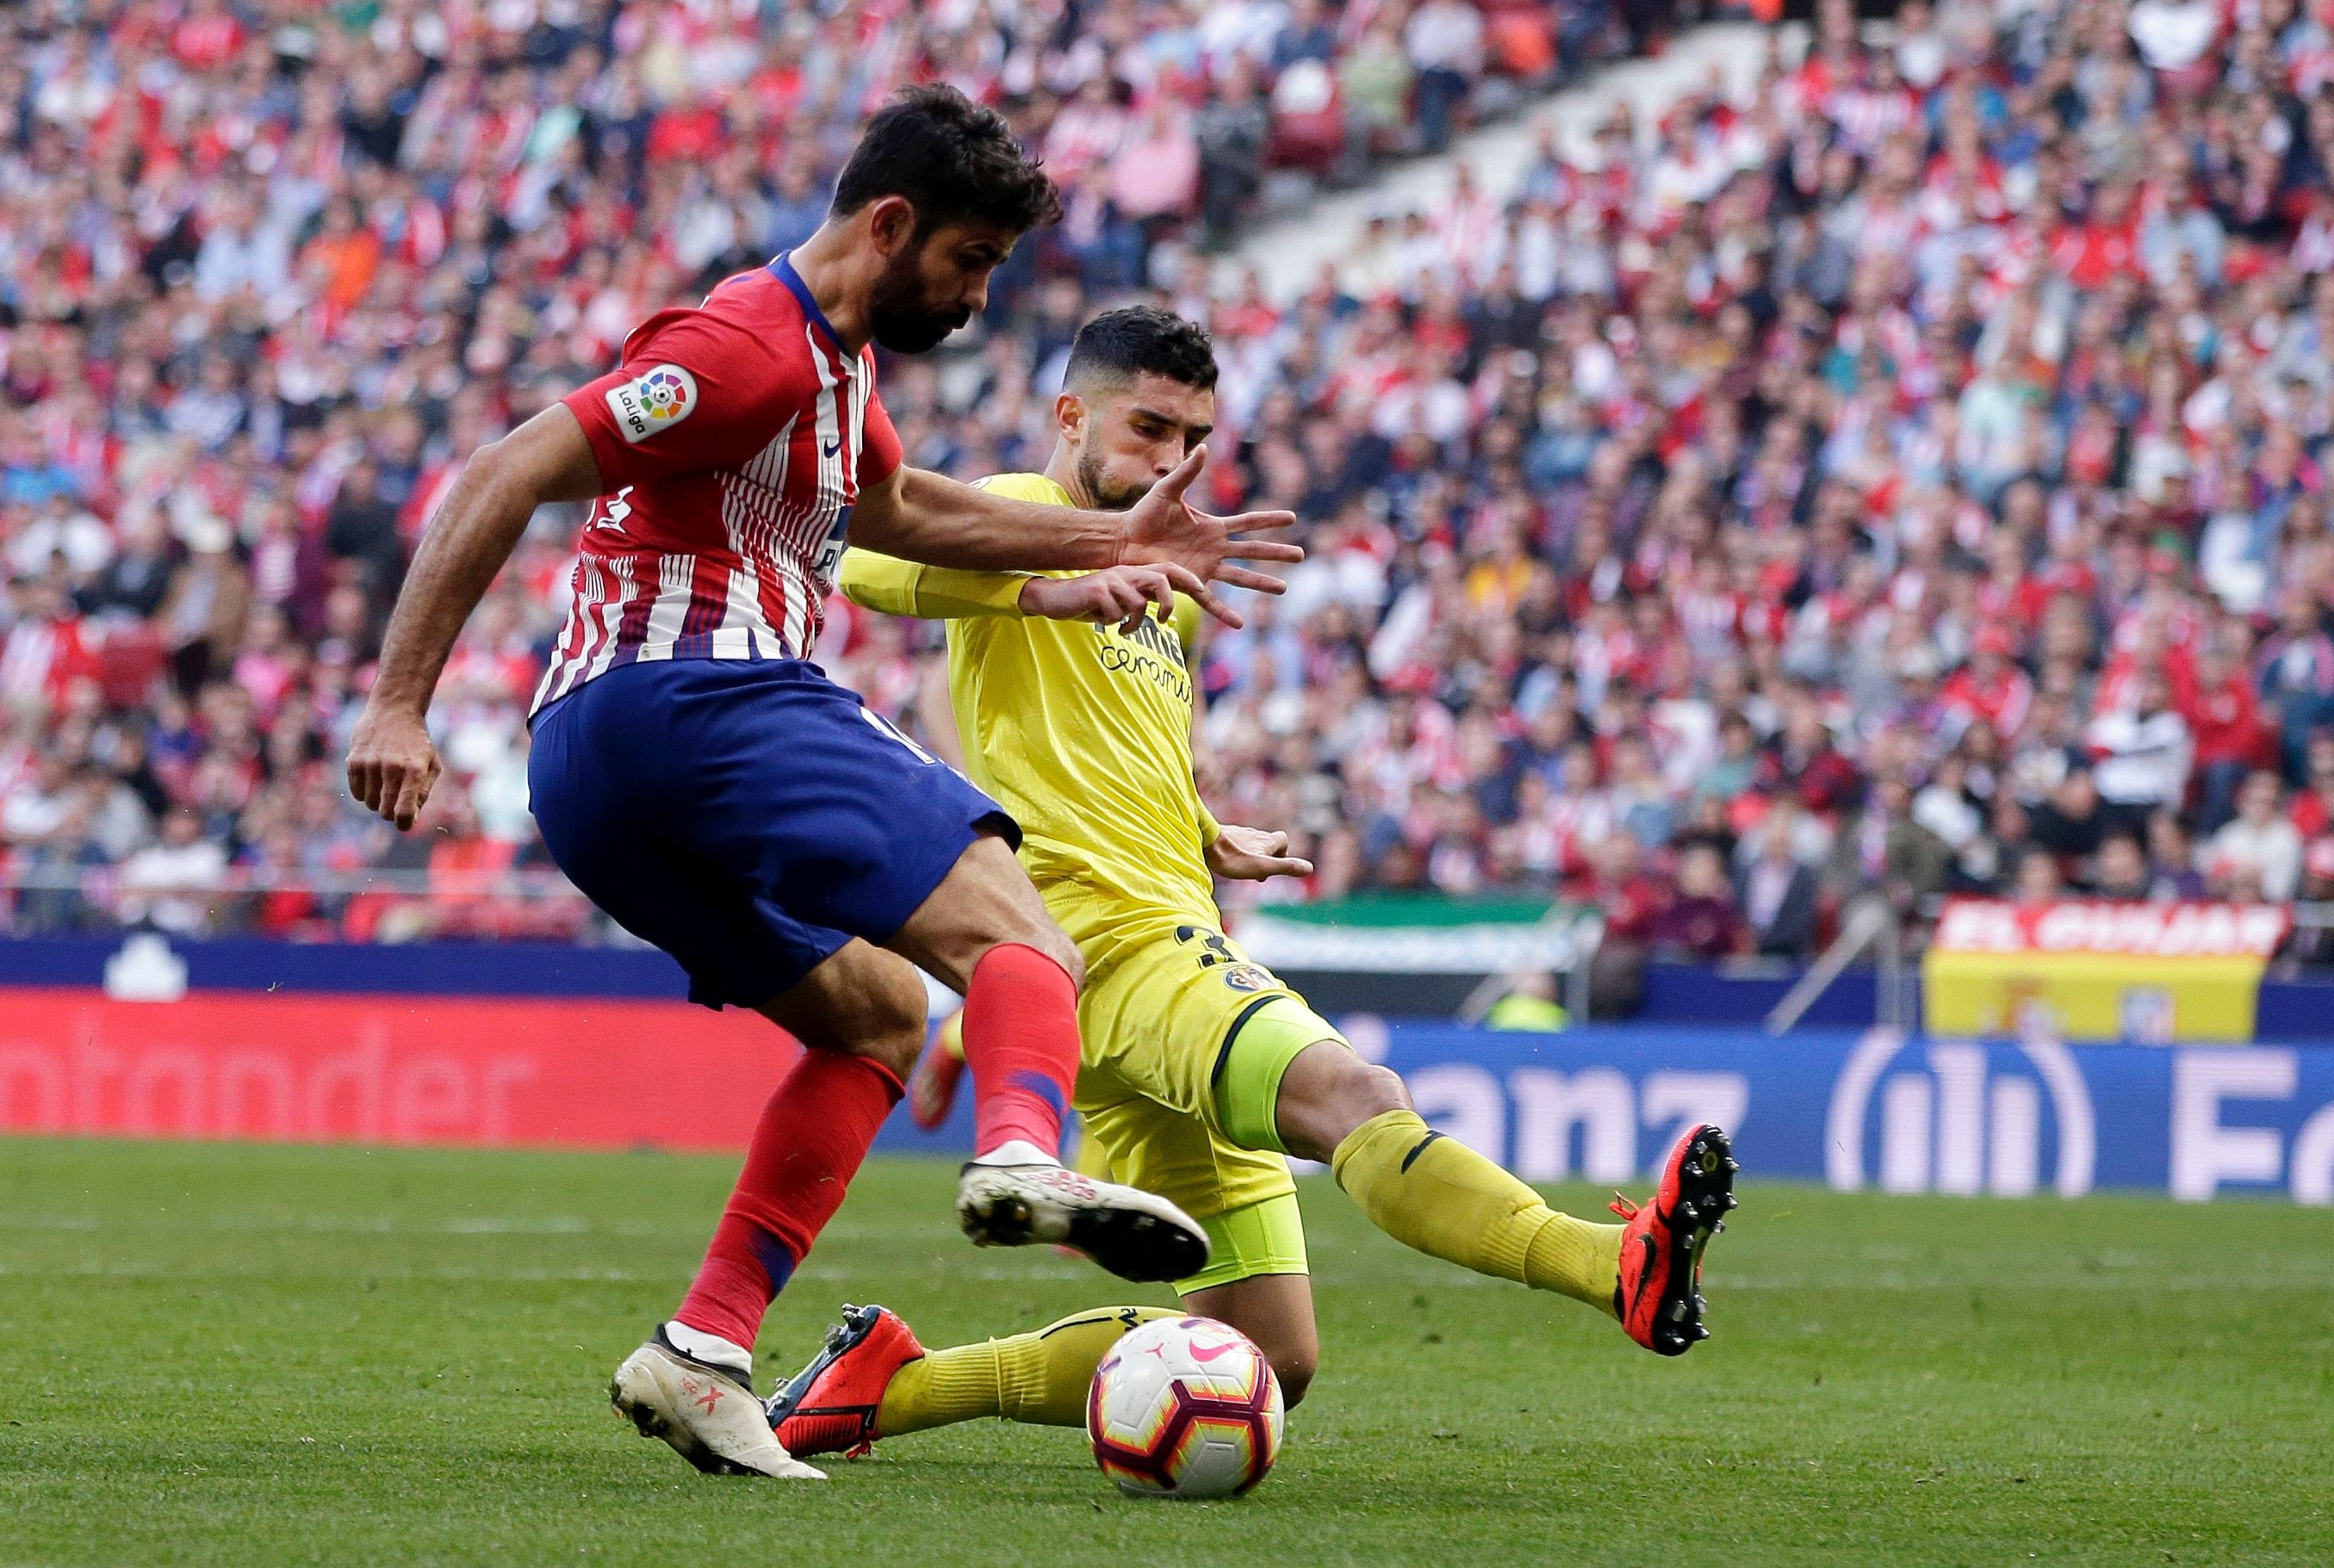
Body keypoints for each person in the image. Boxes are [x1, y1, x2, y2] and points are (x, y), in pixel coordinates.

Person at [341, 89, 1304, 1483]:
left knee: (873, 1015)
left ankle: (701, 1352)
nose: (976, 296)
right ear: (890, 223)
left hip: (600, 774)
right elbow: (511, 464)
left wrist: (1100, 538)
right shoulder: (745, 346)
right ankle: (1025, 1154)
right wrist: (396, 699)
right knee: (1017, 928)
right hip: (693, 696)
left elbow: (907, 515)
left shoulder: (838, 370)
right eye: (970, 262)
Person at [761, 307, 1735, 1462]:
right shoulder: (1018, 511)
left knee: (1269, 1357)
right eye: (1146, 428)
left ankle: (891, 1385)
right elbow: (867, 559)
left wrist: (1203, 824)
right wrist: (1044, 583)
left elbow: (1123, 742)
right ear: (1071, 413)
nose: (1166, 463)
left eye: (1190, 439)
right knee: (1353, 1093)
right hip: (1116, 942)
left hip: (1148, 933)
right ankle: (1608, 1262)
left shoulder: (1166, 583)